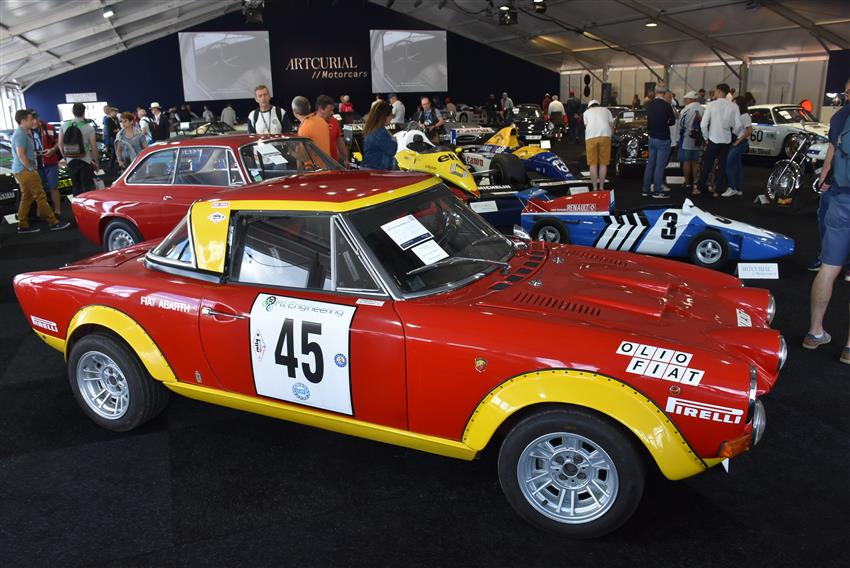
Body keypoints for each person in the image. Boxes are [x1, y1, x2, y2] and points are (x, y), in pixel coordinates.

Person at [804, 75, 850, 364]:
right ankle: (849, 348)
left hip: (842, 198)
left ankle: (814, 332)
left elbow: (832, 152)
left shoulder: (840, 116)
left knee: (828, 268)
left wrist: (823, 180)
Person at [10, 110, 69, 233]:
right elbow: (21, 155)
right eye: (30, 119)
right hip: (25, 170)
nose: (33, 121)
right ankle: (54, 222)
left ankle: (23, 224)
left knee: (27, 197)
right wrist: (31, 169)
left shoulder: (22, 133)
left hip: (22, 170)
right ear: (23, 121)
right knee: (40, 196)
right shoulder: (20, 135)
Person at [695, 83, 739, 197]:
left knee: (707, 165)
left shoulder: (711, 105)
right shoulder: (734, 106)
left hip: (713, 139)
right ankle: (718, 190)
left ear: (719, 91)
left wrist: (706, 138)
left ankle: (699, 188)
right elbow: (738, 125)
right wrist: (733, 135)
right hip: (726, 140)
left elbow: (703, 124)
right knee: (722, 166)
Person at [58, 102, 98, 197]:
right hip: (85, 160)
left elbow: (60, 144)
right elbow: (94, 146)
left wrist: (65, 157)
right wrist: (96, 162)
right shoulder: (89, 127)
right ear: (84, 112)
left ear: (73, 112)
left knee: (76, 186)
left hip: (70, 160)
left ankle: (76, 204)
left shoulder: (64, 125)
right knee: (87, 187)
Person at [642, 87, 676, 198]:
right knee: (660, 166)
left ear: (656, 92)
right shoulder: (666, 105)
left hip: (652, 137)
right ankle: (657, 190)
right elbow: (672, 121)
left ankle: (645, 189)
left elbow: (648, 121)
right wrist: (665, 122)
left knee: (650, 164)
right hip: (663, 138)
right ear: (665, 93)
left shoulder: (649, 104)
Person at [30, 111, 62, 216]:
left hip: (50, 162)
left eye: (36, 118)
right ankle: (41, 212)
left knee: (54, 187)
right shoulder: (25, 131)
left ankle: (57, 211)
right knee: (40, 189)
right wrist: (31, 153)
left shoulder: (49, 127)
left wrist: (52, 150)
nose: (35, 121)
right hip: (35, 165)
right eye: (32, 119)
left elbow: (58, 142)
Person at [722, 96, 753, 197]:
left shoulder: (744, 116)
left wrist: (738, 141)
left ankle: (732, 187)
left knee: (729, 164)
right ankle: (738, 188)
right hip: (736, 142)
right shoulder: (737, 115)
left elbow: (749, 130)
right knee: (736, 166)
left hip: (740, 143)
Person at [582, 100, 614, 191]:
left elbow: (587, 126)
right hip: (605, 136)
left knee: (593, 164)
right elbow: (611, 126)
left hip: (591, 137)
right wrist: (610, 136)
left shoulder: (586, 112)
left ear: (589, 106)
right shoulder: (606, 110)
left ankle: (595, 188)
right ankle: (602, 187)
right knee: (603, 163)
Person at [678, 91, 704, 195]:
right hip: (699, 138)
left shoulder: (686, 109)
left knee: (687, 161)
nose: (686, 101)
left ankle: (687, 181)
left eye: (686, 99)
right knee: (695, 162)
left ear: (690, 99)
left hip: (688, 137)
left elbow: (681, 123)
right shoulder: (702, 109)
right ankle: (695, 182)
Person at [361, 101, 397, 170]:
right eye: (391, 115)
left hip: (370, 169)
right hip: (376, 171)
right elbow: (392, 149)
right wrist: (394, 139)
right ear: (384, 116)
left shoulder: (372, 129)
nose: (391, 118)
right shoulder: (379, 132)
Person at [316, 94, 348, 167]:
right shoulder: (309, 124)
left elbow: (339, 141)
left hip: (334, 165)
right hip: (317, 167)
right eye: (330, 110)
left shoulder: (334, 121)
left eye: (333, 110)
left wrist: (345, 159)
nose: (332, 113)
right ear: (320, 109)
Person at [664, 91, 679, 174]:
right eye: (668, 97)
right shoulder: (664, 107)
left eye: (671, 97)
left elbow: (677, 116)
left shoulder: (672, 106)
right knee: (664, 160)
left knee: (667, 160)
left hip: (673, 138)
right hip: (667, 138)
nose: (670, 99)